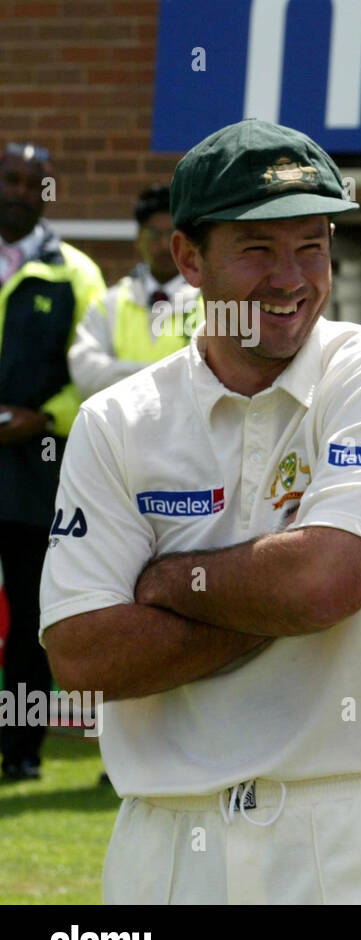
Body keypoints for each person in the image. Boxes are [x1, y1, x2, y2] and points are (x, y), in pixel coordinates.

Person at [40, 120, 361, 904]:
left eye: (312, 245)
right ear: (188, 258)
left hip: (350, 833)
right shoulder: (119, 420)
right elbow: (84, 659)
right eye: (258, 249)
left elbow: (327, 583)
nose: (291, 278)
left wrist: (166, 583)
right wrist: (285, 592)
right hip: (166, 841)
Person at [0, 142, 105, 781]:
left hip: (35, 470)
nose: (16, 189)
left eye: (29, 181)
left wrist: (45, 418)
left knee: (34, 619)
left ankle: (21, 754)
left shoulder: (76, 273)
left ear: (46, 190)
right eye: (7, 178)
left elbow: (87, 369)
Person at [69, 184, 199, 398]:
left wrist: (123, 373)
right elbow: (87, 375)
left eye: (172, 234)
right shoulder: (109, 303)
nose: (163, 244)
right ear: (139, 238)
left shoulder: (209, 301)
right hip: (120, 428)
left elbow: (215, 376)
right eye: (154, 234)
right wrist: (170, 379)